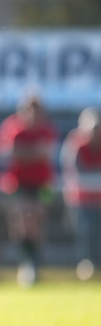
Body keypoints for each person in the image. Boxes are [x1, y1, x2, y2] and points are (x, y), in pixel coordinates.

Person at [0, 91, 58, 286]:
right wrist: (32, 152)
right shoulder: (12, 127)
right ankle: (25, 263)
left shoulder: (47, 128)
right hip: (18, 183)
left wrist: (24, 152)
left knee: (37, 222)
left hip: (42, 183)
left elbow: (45, 153)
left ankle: (35, 264)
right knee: (23, 222)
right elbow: (9, 153)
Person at [60, 107, 101, 280]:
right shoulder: (76, 143)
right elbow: (77, 172)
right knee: (86, 233)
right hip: (81, 199)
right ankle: (87, 266)